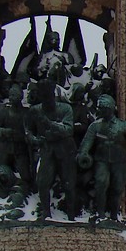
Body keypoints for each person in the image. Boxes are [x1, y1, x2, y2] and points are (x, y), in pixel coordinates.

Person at [77, 94, 126, 220]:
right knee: (101, 184)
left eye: (102, 108)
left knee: (117, 187)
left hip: (119, 161)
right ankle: (100, 213)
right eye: (99, 108)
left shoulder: (123, 126)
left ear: (109, 109)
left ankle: (114, 214)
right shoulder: (95, 126)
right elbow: (86, 143)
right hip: (102, 160)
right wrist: (83, 153)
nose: (99, 111)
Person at [27, 79, 76, 220]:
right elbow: (28, 130)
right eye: (44, 96)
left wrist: (48, 123)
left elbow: (68, 129)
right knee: (42, 182)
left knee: (69, 183)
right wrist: (34, 139)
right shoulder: (34, 111)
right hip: (47, 149)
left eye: (49, 95)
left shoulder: (65, 108)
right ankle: (46, 213)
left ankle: (71, 215)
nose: (47, 99)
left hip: (65, 149)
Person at [0, 84, 32, 197]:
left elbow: (31, 129)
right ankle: (0, 194)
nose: (13, 98)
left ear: (21, 97)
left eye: (16, 95)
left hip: (20, 147)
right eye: (11, 95)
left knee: (26, 175)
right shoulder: (3, 111)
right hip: (5, 147)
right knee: (1, 171)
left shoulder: (26, 112)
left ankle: (23, 193)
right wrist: (4, 131)